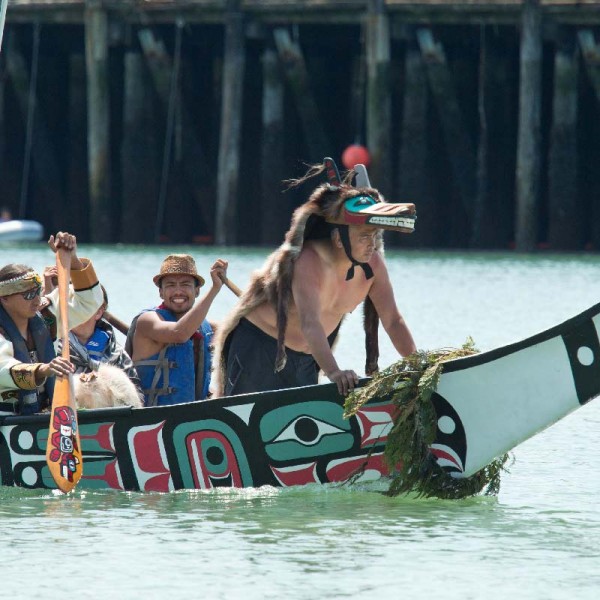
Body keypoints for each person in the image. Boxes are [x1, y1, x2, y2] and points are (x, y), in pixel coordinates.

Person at [213, 158, 418, 397]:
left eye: (374, 236)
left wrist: (417, 365)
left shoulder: (373, 266)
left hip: (309, 357)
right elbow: (310, 322)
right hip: (260, 346)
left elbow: (393, 320)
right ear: (339, 239)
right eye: (363, 236)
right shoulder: (308, 262)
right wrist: (334, 373)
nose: (371, 245)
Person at [0, 232, 104, 415]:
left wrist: (72, 260)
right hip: (7, 418)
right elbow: (4, 369)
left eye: (38, 291)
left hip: (51, 416)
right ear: (5, 299)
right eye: (28, 295)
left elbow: (90, 302)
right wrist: (45, 369)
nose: (36, 300)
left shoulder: (47, 313)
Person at [126, 254, 228, 407]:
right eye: (170, 285)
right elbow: (179, 334)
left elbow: (246, 330)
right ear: (161, 292)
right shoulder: (147, 321)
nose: (178, 291)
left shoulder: (208, 328)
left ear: (197, 290)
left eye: (186, 284)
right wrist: (215, 289)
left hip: (195, 418)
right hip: (151, 420)